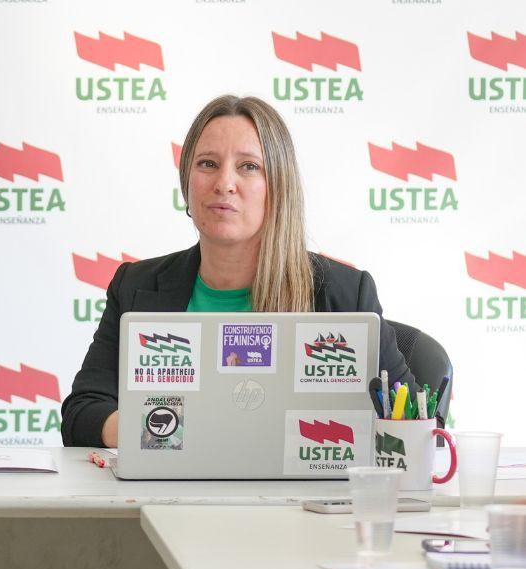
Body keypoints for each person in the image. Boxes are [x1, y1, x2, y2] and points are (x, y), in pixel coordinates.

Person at [61, 94, 417, 447]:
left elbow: (415, 422)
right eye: (207, 164)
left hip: (301, 503)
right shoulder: (136, 286)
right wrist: (167, 432)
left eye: (248, 166)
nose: (224, 183)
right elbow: (82, 414)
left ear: (279, 186)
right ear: (186, 181)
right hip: (169, 497)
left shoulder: (344, 293)